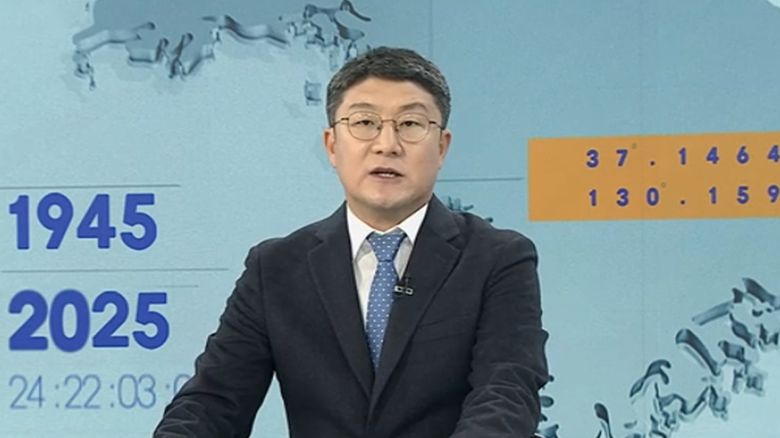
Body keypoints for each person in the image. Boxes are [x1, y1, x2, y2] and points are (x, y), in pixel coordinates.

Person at [153, 46, 549, 438]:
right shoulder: (275, 268)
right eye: (365, 122)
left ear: (441, 147)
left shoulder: (497, 259)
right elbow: (213, 402)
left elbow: (506, 393)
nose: (387, 144)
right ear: (332, 145)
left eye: (410, 124)